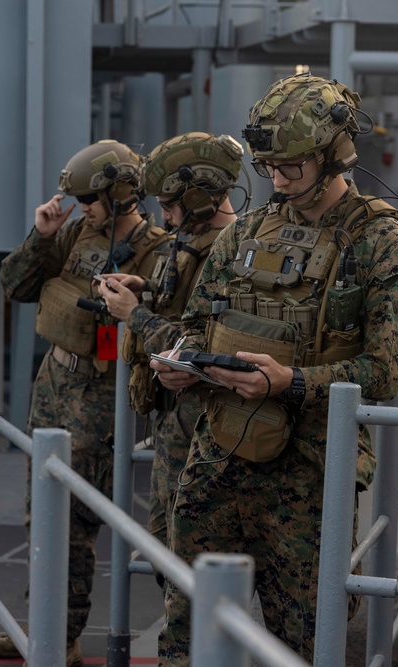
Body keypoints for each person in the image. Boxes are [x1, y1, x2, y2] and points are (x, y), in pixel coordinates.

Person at [150, 72, 398, 663]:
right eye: (268, 167)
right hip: (217, 457)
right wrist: (182, 362)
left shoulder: (380, 242)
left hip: (310, 472)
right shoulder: (247, 230)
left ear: (332, 156)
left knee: (299, 640)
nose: (276, 179)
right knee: (187, 628)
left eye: (291, 168)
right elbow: (198, 321)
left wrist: (293, 382)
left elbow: (384, 371)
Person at [0, 139, 173, 665]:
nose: (84, 208)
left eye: (91, 199)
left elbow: (158, 322)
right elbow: (17, 285)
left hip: (101, 389)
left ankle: (60, 637)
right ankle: (44, 625)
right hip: (54, 382)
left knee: (73, 515)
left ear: (119, 196)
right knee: (40, 509)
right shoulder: (75, 232)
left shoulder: (157, 250)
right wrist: (41, 236)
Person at [95, 132, 245, 555]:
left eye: (170, 205)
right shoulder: (193, 242)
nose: (163, 217)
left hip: (202, 420)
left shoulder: (231, 253)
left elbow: (201, 346)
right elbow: (182, 304)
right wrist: (142, 288)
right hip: (174, 420)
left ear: (199, 199)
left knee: (186, 549)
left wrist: (133, 314)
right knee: (165, 543)